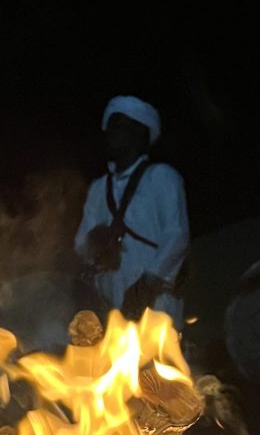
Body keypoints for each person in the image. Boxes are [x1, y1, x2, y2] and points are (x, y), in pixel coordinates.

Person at [74, 95, 190, 329]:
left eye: (118, 127)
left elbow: (177, 235)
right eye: (109, 128)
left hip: (155, 297)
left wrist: (147, 283)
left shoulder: (162, 177)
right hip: (107, 298)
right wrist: (93, 240)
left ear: (139, 133)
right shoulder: (98, 188)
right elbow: (80, 245)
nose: (109, 134)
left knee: (154, 362)